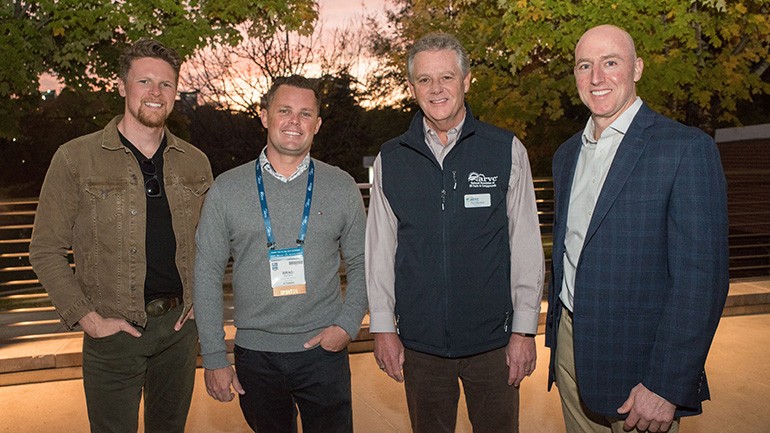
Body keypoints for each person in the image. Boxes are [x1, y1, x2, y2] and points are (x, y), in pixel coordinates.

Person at [545, 24, 730, 433]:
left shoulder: (684, 149)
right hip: (571, 353)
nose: (596, 77)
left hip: (642, 367)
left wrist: (667, 384)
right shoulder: (566, 156)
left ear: (637, 69)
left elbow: (702, 280)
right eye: (584, 65)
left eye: (611, 62)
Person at [29, 39, 212, 432]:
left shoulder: (196, 163)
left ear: (176, 92)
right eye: (143, 81)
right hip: (112, 335)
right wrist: (87, 319)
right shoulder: (76, 158)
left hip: (179, 332)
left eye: (165, 84)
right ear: (121, 86)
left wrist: (202, 300)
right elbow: (45, 249)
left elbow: (213, 244)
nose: (155, 93)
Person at [366, 32, 544, 433]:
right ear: (412, 88)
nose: (437, 89)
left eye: (446, 77)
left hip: (493, 344)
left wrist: (523, 330)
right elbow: (380, 249)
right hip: (420, 346)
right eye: (425, 80)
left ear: (466, 81)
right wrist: (382, 328)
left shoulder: (506, 149)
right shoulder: (391, 159)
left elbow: (526, 245)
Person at [193, 75, 367, 433]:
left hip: (324, 351)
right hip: (256, 356)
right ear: (264, 116)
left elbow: (365, 262)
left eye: (305, 114)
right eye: (284, 110)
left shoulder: (341, 186)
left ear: (317, 125)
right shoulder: (227, 188)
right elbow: (207, 272)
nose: (294, 121)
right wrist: (213, 356)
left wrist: (346, 326)